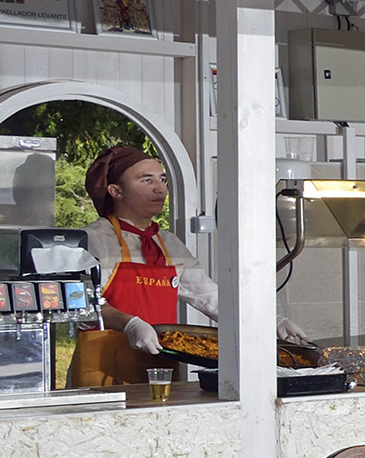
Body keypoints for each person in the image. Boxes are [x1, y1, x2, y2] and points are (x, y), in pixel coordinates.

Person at [68, 144, 308, 388]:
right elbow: (81, 304)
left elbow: (211, 297)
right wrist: (129, 324)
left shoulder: (168, 243)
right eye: (146, 180)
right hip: (101, 372)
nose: (160, 189)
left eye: (162, 180)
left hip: (159, 371)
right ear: (116, 191)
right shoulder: (92, 240)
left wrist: (272, 321)